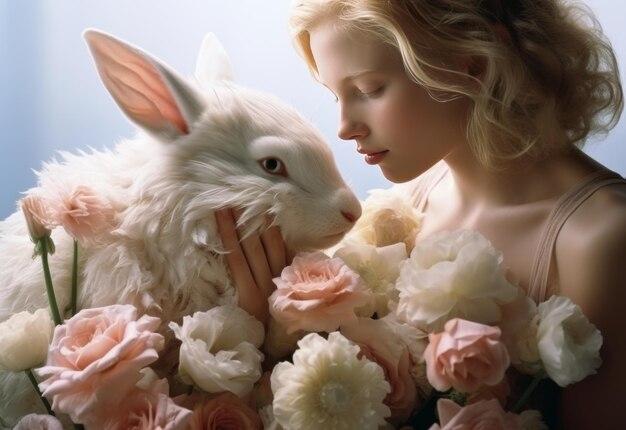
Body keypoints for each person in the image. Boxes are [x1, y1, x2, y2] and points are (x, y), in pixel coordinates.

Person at [216, 0, 626, 428]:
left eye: (370, 89)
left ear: (474, 62)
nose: (344, 126)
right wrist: (266, 322)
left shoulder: (600, 239)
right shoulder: (411, 200)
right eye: (336, 95)